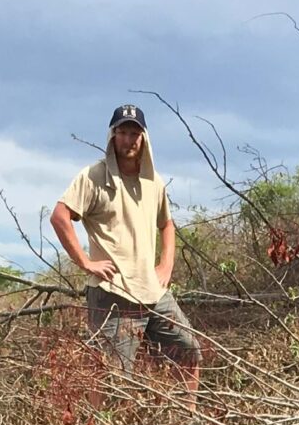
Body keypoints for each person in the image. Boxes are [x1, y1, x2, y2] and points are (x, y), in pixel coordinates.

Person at [50, 104, 201, 381]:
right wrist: (85, 262)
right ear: (112, 135)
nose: (129, 139)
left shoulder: (153, 182)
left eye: (135, 133)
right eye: (123, 132)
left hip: (153, 291)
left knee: (189, 351)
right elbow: (60, 216)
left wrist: (166, 264)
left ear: (143, 138)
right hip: (113, 294)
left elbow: (166, 224)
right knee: (112, 376)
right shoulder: (93, 177)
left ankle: (187, 421)